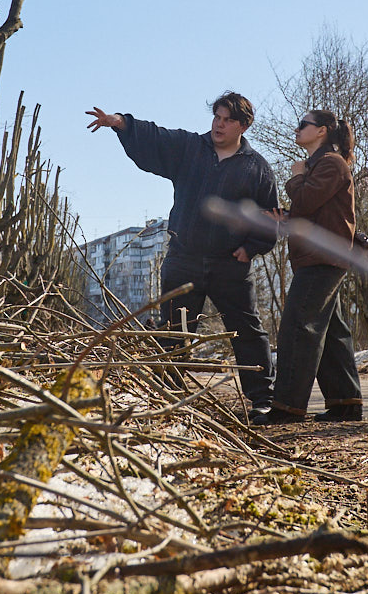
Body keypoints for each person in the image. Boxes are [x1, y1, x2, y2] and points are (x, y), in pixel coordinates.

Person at [86, 92, 280, 413]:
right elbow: (158, 138)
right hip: (184, 259)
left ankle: (262, 399)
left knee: (247, 329)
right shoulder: (191, 148)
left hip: (229, 264)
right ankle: (169, 398)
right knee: (173, 331)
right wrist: (121, 123)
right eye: (216, 117)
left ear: (244, 126)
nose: (219, 125)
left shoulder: (256, 167)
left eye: (228, 120)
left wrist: (251, 248)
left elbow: (269, 217)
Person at [254, 110, 363, 426]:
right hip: (320, 256)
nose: (297, 129)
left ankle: (287, 407)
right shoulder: (322, 165)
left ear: (322, 131)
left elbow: (305, 199)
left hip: (321, 259)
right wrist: (287, 218)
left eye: (303, 125)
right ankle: (345, 403)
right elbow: (315, 211)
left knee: (298, 327)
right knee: (332, 333)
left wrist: (296, 176)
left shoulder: (330, 163)